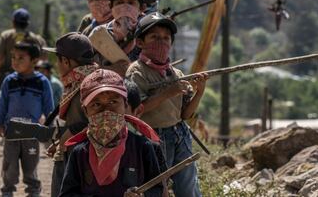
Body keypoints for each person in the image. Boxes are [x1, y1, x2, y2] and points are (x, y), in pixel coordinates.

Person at [126, 12, 209, 197]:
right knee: (156, 187)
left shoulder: (176, 74)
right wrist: (168, 93)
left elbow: (185, 115)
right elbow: (137, 110)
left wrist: (199, 91)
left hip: (179, 133)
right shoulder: (137, 72)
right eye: (154, 37)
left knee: (188, 186)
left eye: (165, 38)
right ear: (140, 42)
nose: (161, 42)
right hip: (154, 137)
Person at [60, 69, 163, 197]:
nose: (106, 111)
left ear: (125, 105)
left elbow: (157, 189)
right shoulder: (79, 152)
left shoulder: (143, 147)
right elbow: (67, 194)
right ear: (86, 111)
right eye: (96, 104)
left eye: (113, 102)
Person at [0, 39, 54, 197]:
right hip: (11, 132)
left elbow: (49, 108)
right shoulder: (9, 81)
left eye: (21, 58)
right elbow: (2, 104)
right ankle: (7, 191)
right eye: (13, 57)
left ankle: (33, 191)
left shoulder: (42, 82)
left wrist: (49, 128)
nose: (15, 61)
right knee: (10, 165)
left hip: (32, 132)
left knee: (31, 165)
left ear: (34, 60)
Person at [43, 32, 98, 197]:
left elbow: (93, 121)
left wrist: (69, 135)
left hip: (80, 158)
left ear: (65, 61)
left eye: (57, 60)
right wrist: (61, 141)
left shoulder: (86, 84)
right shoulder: (91, 79)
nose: (56, 65)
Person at [0, 8, 47, 87]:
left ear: (13, 22)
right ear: (27, 24)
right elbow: (44, 59)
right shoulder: (37, 39)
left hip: (8, 78)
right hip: (30, 79)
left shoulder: (5, 36)